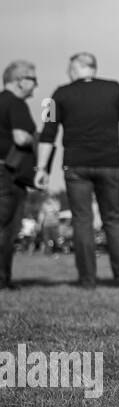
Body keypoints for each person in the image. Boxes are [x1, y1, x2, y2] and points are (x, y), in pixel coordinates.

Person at [35, 52, 119, 288]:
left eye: (69, 68)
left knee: (82, 221)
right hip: (109, 164)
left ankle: (87, 280)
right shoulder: (115, 89)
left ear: (77, 68)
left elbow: (48, 132)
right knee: (113, 220)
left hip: (75, 165)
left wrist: (41, 167)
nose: (68, 73)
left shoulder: (58, 93)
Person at [0, 60, 39, 290]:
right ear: (19, 80)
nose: (36, 85)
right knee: (7, 227)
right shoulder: (16, 104)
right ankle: (2, 280)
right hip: (7, 172)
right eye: (33, 79)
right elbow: (21, 137)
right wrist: (38, 141)